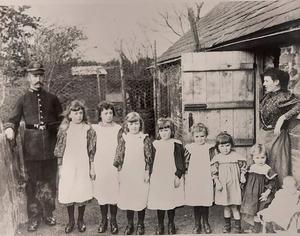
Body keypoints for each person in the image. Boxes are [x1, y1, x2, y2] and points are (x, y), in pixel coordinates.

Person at [4, 61, 62, 232]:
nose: (38, 79)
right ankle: (34, 218)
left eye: (40, 75)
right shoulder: (22, 99)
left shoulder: (52, 98)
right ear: (28, 77)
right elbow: (12, 120)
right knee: (32, 184)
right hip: (31, 148)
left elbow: (62, 121)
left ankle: (49, 214)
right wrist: (9, 130)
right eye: (34, 75)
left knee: (50, 183)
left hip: (50, 146)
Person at [54, 100, 96, 233]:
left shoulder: (88, 129)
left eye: (81, 113)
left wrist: (92, 167)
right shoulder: (65, 129)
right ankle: (71, 220)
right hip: (68, 164)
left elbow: (91, 150)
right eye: (75, 113)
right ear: (69, 115)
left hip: (83, 164)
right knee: (69, 191)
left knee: (81, 190)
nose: (78, 116)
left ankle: (80, 220)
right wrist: (60, 167)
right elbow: (60, 149)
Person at [259, 67, 300, 185]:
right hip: (264, 135)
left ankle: (277, 197)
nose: (264, 84)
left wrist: (282, 118)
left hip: (276, 137)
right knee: (262, 163)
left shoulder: (284, 96)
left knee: (277, 166)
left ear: (276, 82)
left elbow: (298, 105)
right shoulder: (268, 96)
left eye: (267, 81)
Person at [113, 112, 152, 235]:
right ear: (127, 125)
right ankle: (130, 224)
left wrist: (147, 172)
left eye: (136, 123)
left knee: (140, 197)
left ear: (140, 124)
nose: (134, 126)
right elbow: (119, 157)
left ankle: (141, 223)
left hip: (140, 172)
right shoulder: (124, 138)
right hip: (127, 173)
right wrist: (119, 172)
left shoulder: (144, 138)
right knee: (129, 198)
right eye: (131, 123)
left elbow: (148, 157)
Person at [147, 118, 185, 235]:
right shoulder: (155, 144)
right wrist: (149, 174)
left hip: (171, 175)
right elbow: (151, 161)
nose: (164, 133)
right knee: (160, 200)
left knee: (170, 200)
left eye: (167, 130)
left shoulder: (176, 144)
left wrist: (178, 175)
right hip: (158, 176)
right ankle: (160, 224)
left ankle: (171, 223)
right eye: (161, 130)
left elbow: (180, 161)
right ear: (158, 132)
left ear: (171, 131)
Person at [93, 101, 122, 234]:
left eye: (111, 112)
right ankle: (104, 220)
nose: (109, 115)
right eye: (105, 113)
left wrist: (120, 165)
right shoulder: (94, 129)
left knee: (113, 192)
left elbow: (121, 149)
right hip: (100, 163)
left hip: (113, 164)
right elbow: (91, 148)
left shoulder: (118, 129)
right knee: (103, 192)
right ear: (100, 115)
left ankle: (113, 221)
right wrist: (92, 166)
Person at [211, 132, 247, 234]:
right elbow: (213, 171)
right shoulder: (217, 158)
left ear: (231, 145)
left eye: (227, 145)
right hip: (223, 185)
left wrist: (242, 175)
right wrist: (216, 181)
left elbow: (243, 166)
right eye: (222, 146)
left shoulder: (236, 156)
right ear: (218, 147)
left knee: (235, 207)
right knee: (226, 206)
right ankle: (227, 226)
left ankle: (237, 227)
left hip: (234, 185)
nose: (225, 148)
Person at [240, 143, 278, 233]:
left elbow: (273, 182)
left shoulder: (267, 169)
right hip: (251, 194)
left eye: (262, 157)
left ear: (266, 157)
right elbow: (244, 181)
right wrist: (242, 175)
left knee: (260, 210)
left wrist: (267, 193)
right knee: (252, 210)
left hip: (261, 194)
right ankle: (254, 227)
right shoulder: (251, 168)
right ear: (253, 157)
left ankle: (261, 228)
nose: (260, 160)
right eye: (257, 158)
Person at [184, 123, 214, 234]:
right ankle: (197, 223)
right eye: (197, 136)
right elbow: (186, 163)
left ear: (206, 136)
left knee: (205, 200)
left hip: (206, 177)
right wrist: (186, 174)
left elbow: (213, 162)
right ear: (193, 137)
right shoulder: (190, 148)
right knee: (196, 200)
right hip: (194, 177)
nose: (200, 139)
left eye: (202, 136)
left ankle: (206, 222)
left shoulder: (209, 148)